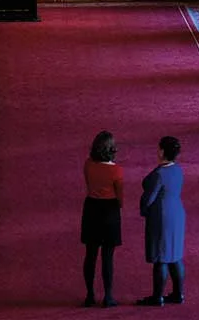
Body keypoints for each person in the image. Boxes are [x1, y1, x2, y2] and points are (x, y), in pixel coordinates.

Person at [138, 136, 185, 306]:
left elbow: (149, 199)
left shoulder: (159, 174)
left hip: (162, 217)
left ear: (162, 151)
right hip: (177, 214)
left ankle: (157, 297)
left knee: (161, 256)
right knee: (175, 255)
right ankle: (178, 294)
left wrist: (143, 211)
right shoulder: (178, 169)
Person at [81, 130, 123, 308]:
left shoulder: (88, 164)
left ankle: (90, 294)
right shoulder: (116, 170)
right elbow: (120, 196)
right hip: (109, 210)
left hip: (91, 208)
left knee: (90, 255)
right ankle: (108, 296)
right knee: (107, 257)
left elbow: (89, 183)